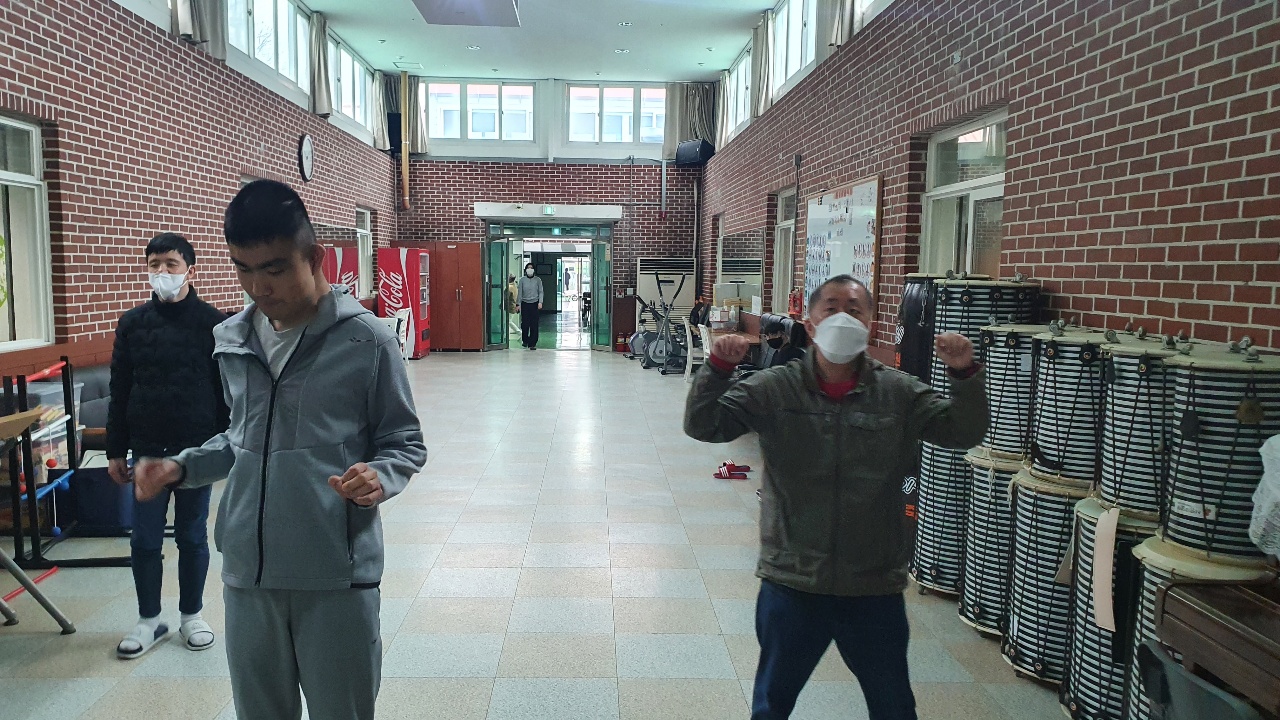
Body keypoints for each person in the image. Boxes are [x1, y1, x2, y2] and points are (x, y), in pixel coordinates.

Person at [132, 180, 427, 720]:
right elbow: (240, 440)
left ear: (313, 258)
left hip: (335, 574)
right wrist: (180, 467)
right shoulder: (232, 339)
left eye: (273, 268)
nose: (257, 286)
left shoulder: (367, 341)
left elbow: (403, 441)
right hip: (249, 575)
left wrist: (379, 476)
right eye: (242, 269)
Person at [684, 274, 988, 720]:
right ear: (810, 324)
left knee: (893, 706)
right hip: (793, 580)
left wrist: (963, 373)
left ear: (870, 325)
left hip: (872, 585)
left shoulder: (899, 393)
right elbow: (704, 425)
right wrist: (717, 369)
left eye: (854, 310)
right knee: (772, 704)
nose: (843, 317)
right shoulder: (775, 388)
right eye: (831, 308)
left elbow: (962, 432)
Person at [107, 232, 229, 660]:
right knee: (144, 538)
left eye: (170, 264)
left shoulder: (213, 324)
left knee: (192, 536)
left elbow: (224, 392)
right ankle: (149, 620)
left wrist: (223, 449)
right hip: (146, 448)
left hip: (196, 451)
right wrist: (114, 450)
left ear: (190, 270)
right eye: (154, 264)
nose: (162, 272)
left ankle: (192, 615)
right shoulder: (132, 323)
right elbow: (120, 389)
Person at [517, 262, 544, 350]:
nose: (530, 269)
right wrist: (518, 304)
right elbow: (520, 293)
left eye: (531, 268)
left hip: (534, 304)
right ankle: (525, 340)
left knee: (534, 324)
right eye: (528, 268)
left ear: (534, 270)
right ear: (525, 270)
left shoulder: (538, 280)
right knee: (525, 324)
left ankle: (532, 343)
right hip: (525, 303)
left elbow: (540, 291)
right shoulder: (522, 280)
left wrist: (540, 302)